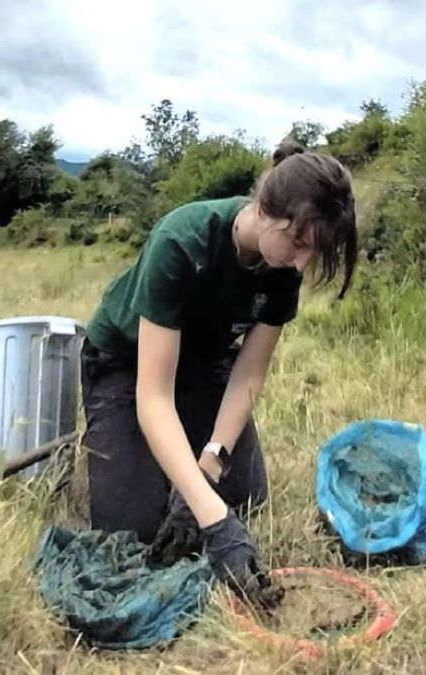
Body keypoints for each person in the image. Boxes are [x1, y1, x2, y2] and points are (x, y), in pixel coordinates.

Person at [79, 139, 357, 604]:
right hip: (127, 366)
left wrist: (208, 470)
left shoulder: (282, 269)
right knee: (136, 528)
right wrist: (213, 518)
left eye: (315, 252)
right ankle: (122, 449)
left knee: (246, 495)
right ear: (267, 210)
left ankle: (185, 466)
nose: (302, 263)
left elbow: (248, 374)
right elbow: (154, 396)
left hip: (205, 364)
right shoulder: (182, 241)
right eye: (298, 243)